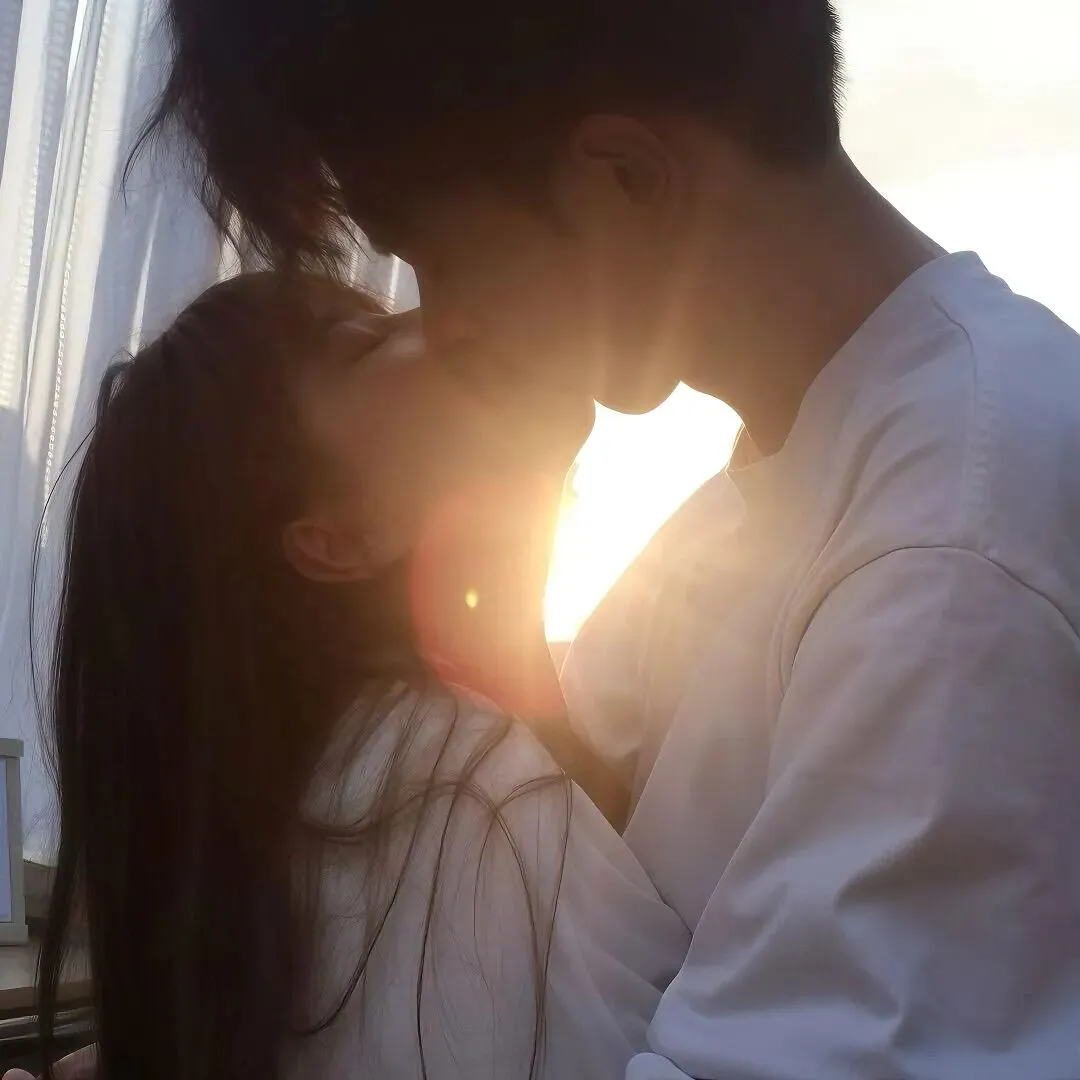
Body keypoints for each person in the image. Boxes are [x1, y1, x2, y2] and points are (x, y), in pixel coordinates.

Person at [34, 0, 1080, 1076]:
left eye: (439, 256)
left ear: (625, 178)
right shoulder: (750, 516)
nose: (444, 325)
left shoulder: (954, 533)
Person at [31, 272, 688, 1080]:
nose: (439, 318)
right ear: (333, 539)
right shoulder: (465, 793)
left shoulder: (297, 821)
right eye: (364, 341)